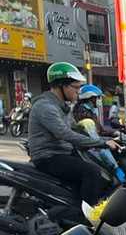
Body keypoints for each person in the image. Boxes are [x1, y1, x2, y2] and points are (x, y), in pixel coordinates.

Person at [26, 62, 120, 204]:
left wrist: (108, 137)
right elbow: (66, 134)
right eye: (76, 87)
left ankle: (73, 206)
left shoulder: (62, 106)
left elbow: (77, 129)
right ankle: (86, 218)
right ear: (61, 85)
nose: (78, 92)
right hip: (48, 157)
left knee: (105, 176)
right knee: (92, 172)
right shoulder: (45, 106)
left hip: (63, 153)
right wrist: (103, 143)